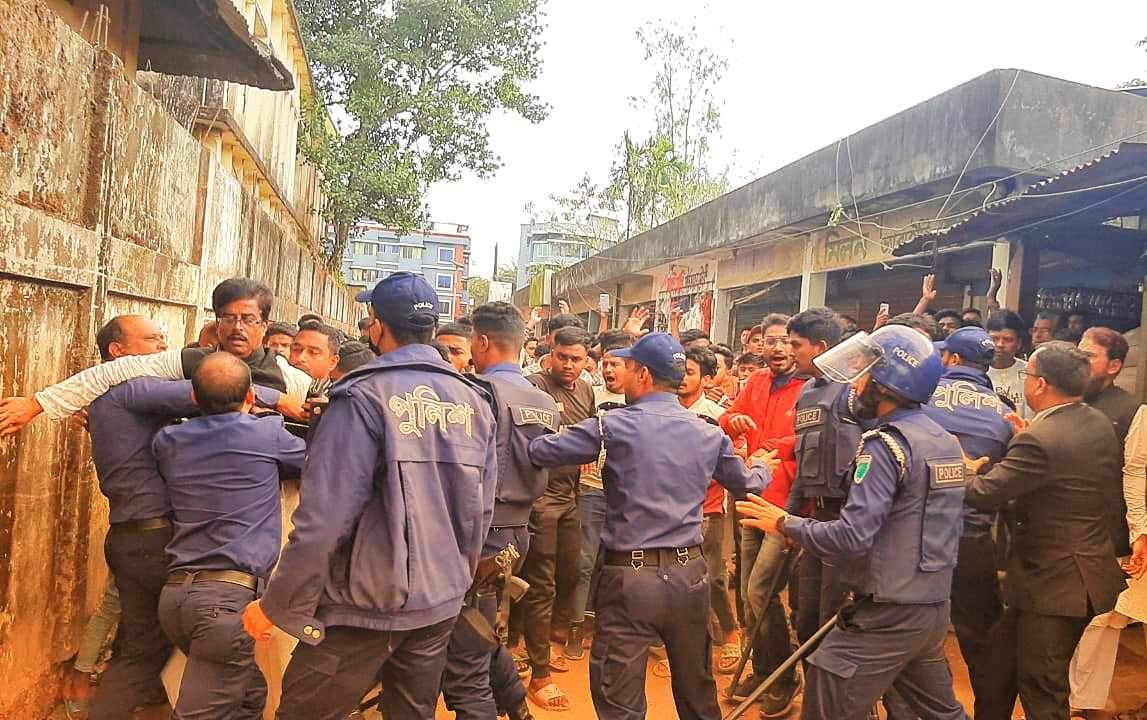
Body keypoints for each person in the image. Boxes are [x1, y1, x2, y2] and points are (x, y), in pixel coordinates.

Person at [241, 272, 499, 720]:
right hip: (437, 603)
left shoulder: (361, 397)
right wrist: (454, 581)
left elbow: (323, 519)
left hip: (361, 609)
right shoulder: (474, 402)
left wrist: (277, 603)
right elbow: (482, 509)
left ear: (377, 327)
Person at [528, 332, 775, 720]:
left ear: (642, 374)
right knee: (696, 688)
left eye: (626, 367)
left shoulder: (612, 426)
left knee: (619, 694)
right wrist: (761, 462)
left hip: (630, 578)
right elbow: (749, 483)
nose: (620, 374)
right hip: (689, 576)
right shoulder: (708, 431)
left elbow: (539, 451)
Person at [737, 325, 968, 720]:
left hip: (888, 610)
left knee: (829, 688)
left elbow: (853, 535)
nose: (855, 386)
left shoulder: (885, 444)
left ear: (886, 384)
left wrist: (785, 524)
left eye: (863, 376)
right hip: (930, 606)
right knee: (936, 712)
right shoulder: (943, 440)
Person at [964, 342, 1124, 720]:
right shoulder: (1093, 421)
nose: (1025, 383)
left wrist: (965, 468)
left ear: (1041, 385)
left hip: (1055, 586)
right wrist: (1027, 440)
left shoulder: (1040, 439)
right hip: (1062, 578)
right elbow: (1058, 475)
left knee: (1042, 691)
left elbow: (986, 494)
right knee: (996, 674)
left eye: (1028, 376)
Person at [153, 352, 306, 718]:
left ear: (193, 398)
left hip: (176, 600)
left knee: (248, 695)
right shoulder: (267, 434)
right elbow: (316, 460)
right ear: (250, 397)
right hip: (225, 603)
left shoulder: (167, 440)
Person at [440, 301, 559, 720]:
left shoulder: (478, 393)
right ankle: (517, 709)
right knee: (479, 632)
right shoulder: (543, 400)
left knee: (464, 664)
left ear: (482, 341)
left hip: (480, 536)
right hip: (518, 532)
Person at [0, 278, 310, 437]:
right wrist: (38, 404)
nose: (237, 328)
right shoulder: (191, 362)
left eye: (248, 319)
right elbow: (113, 372)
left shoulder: (292, 380)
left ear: (264, 325)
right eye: (227, 318)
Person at [73, 315, 179, 720]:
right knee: (145, 649)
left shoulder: (108, 400)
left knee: (139, 641)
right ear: (118, 352)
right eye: (153, 340)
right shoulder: (134, 389)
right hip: (151, 540)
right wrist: (277, 400)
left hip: (133, 537)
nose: (162, 348)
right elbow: (210, 388)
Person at [921, 327, 1015, 719]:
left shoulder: (921, 396)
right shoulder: (1006, 411)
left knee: (909, 631)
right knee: (981, 638)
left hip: (919, 535)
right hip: (974, 537)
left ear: (952, 360)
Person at [719, 313, 807, 713]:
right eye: (770, 341)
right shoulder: (755, 381)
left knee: (761, 590)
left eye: (786, 341)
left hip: (787, 505)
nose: (777, 348)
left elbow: (810, 438)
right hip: (751, 497)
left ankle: (784, 677)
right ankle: (764, 668)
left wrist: (776, 445)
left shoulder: (812, 388)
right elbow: (727, 419)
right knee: (747, 592)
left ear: (798, 346)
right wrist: (733, 419)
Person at [1069, 327, 1147, 717]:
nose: (1080, 362)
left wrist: (1139, 533)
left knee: (1101, 623)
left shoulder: (1132, 411)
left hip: (1106, 536)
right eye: (1078, 353)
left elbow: (1135, 475)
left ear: (1115, 366)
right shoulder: (1064, 399)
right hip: (1059, 533)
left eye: (1090, 356)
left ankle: (1088, 703)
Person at [517, 327, 595, 710]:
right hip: (539, 500)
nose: (568, 365)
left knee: (569, 574)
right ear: (550, 353)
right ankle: (539, 673)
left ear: (586, 360)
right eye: (562, 357)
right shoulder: (532, 387)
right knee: (542, 583)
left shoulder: (586, 390)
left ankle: (531, 642)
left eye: (576, 359)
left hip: (570, 498)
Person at [783, 308, 862, 650]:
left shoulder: (853, 392)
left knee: (834, 620)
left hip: (849, 520)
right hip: (817, 518)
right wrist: (790, 518)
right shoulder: (806, 394)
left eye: (796, 345)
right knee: (806, 617)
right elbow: (803, 464)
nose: (789, 352)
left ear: (820, 347)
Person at [564, 329, 633, 661]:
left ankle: (613, 626)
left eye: (617, 364)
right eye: (606, 363)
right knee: (584, 562)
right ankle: (576, 625)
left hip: (627, 495)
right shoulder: (589, 394)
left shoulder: (642, 398)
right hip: (591, 491)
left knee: (621, 564)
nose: (609, 370)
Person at [678, 347, 740, 671]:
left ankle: (730, 634)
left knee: (714, 577)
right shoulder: (663, 409)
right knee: (682, 577)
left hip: (710, 506)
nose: (682, 378)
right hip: (674, 509)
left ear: (705, 378)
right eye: (678, 370)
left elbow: (733, 463)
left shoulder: (718, 415)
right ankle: (693, 641)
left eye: (689, 372)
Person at [986, 310, 1031, 417]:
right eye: (994, 339)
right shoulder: (978, 372)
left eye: (1008, 339)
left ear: (1019, 343)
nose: (1000, 344)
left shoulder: (1030, 372)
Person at [290, 320, 341, 391]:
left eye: (313, 352)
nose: (300, 358)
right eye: (296, 349)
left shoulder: (343, 398)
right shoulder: (274, 389)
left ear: (333, 362)